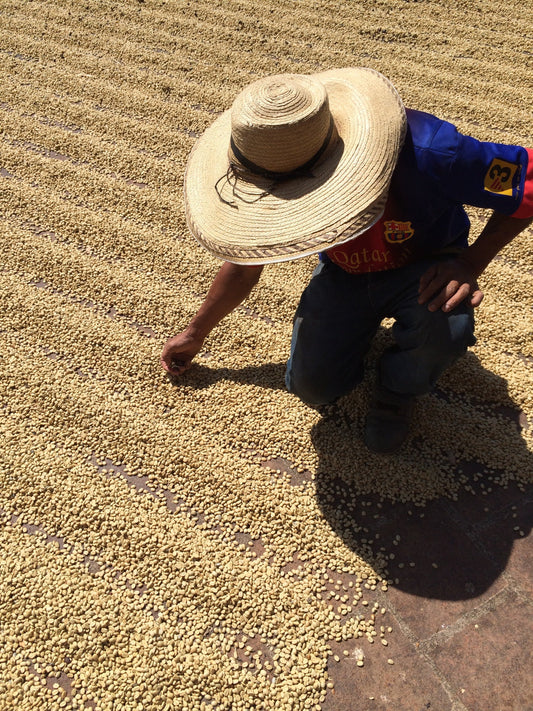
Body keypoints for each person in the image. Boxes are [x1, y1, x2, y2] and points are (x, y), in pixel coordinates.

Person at [160, 68, 533, 453]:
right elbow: (245, 263)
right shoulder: (272, 163)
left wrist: (471, 263)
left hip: (424, 265)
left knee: (445, 327)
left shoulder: (435, 152)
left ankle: (397, 386)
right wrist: (196, 332)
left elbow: (528, 185)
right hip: (345, 271)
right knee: (313, 387)